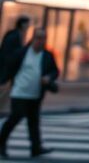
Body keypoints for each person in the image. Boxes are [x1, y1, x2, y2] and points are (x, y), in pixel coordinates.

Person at [0, 29, 59, 158]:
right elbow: (9, 67)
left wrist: (49, 77)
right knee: (15, 118)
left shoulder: (48, 55)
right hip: (19, 92)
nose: (41, 41)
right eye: (38, 37)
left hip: (36, 94)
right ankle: (1, 143)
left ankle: (36, 148)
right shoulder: (22, 53)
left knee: (33, 122)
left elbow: (55, 71)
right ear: (33, 38)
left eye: (43, 38)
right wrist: (3, 81)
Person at [0, 18, 29, 83]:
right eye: (27, 24)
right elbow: (6, 52)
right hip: (6, 67)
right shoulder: (14, 35)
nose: (28, 26)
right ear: (22, 24)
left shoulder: (18, 34)